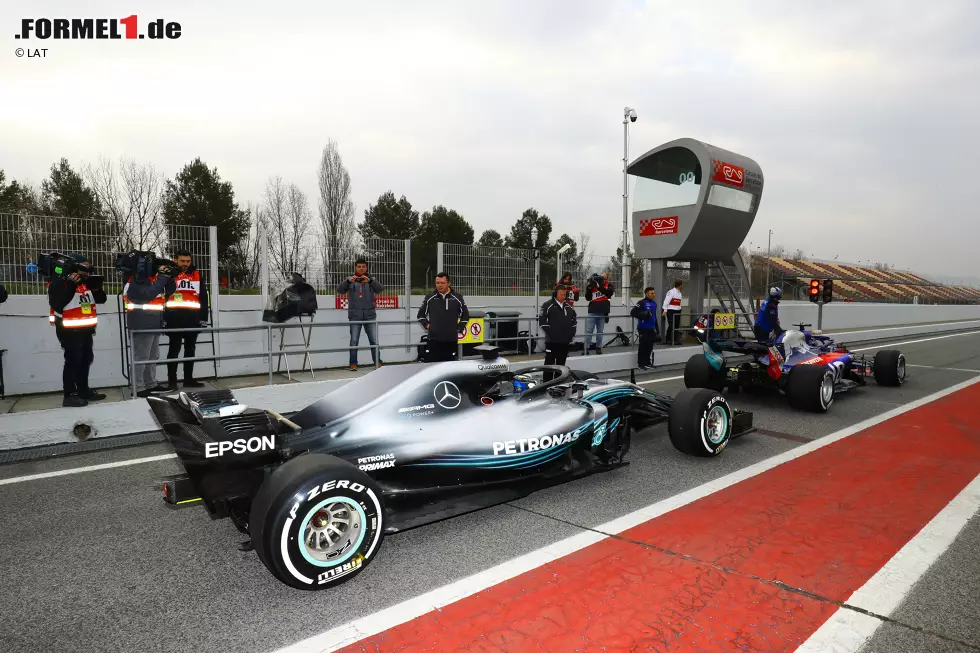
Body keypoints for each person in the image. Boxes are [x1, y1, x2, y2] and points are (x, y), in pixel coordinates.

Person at [47, 253, 107, 407]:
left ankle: (83, 390)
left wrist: (97, 288)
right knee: (73, 361)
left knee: (86, 359)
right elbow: (58, 303)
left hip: (86, 329)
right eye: (83, 267)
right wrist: (72, 284)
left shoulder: (86, 283)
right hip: (69, 329)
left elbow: (101, 299)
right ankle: (69, 395)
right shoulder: (59, 282)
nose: (87, 270)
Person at [124, 256, 174, 398]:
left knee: (152, 356)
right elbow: (148, 295)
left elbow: (169, 292)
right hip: (141, 323)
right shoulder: (138, 279)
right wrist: (163, 278)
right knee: (141, 357)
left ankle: (150, 384)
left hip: (154, 322)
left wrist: (169, 277)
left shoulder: (156, 280)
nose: (163, 270)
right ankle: (138, 387)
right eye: (161, 267)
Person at [164, 249, 209, 390]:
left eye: (188, 261)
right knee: (174, 350)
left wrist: (203, 317)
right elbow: (162, 296)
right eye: (182, 261)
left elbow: (203, 297)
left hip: (192, 318)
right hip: (174, 318)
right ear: (175, 260)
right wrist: (163, 318)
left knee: (190, 350)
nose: (185, 264)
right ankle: (172, 381)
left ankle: (188, 379)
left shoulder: (197, 274)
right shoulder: (169, 274)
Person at [337, 258, 383, 371]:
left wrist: (370, 281)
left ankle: (378, 362)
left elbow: (380, 289)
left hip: (370, 315)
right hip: (355, 316)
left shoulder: (371, 279)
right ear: (355, 267)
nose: (361, 268)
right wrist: (348, 282)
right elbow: (340, 290)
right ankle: (353, 363)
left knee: (374, 341)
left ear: (366, 268)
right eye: (359, 266)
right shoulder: (350, 279)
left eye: (363, 266)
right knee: (354, 341)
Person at [417, 272, 469, 362]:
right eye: (437, 283)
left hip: (451, 341)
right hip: (433, 340)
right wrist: (428, 326)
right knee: (432, 368)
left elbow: (465, 315)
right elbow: (420, 315)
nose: (439, 285)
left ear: (448, 283)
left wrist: (459, 327)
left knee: (449, 369)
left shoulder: (457, 297)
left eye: (442, 283)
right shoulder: (430, 297)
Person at [539, 284, 577, 378]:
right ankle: (546, 384)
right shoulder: (547, 305)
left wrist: (571, 333)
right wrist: (551, 332)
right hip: (552, 341)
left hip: (564, 341)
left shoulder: (568, 306)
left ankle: (559, 384)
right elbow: (542, 320)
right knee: (549, 363)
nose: (563, 296)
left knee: (561, 364)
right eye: (561, 294)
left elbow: (574, 320)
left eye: (564, 294)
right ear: (555, 294)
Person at [584, 272, 614, 354]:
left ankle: (598, 347)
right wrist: (589, 288)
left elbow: (608, 293)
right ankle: (586, 348)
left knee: (600, 331)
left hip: (602, 311)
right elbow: (588, 298)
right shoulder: (593, 285)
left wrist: (599, 286)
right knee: (589, 330)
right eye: (601, 278)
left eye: (604, 278)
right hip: (592, 310)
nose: (603, 280)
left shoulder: (609, 286)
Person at [631, 287, 660, 369]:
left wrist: (657, 328)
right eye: (652, 293)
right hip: (643, 328)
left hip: (651, 328)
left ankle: (647, 362)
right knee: (643, 346)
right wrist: (643, 314)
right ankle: (641, 364)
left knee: (649, 346)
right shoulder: (641, 302)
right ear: (647, 294)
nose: (653, 295)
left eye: (654, 293)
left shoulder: (654, 304)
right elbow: (633, 312)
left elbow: (654, 316)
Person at [662, 279, 684, 345]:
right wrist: (665, 310)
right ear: (680, 285)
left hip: (677, 310)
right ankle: (668, 339)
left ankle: (674, 340)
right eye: (682, 285)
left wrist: (680, 309)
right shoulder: (671, 292)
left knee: (676, 325)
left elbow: (679, 303)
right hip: (671, 310)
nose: (682, 286)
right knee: (672, 325)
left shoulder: (679, 293)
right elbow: (666, 301)